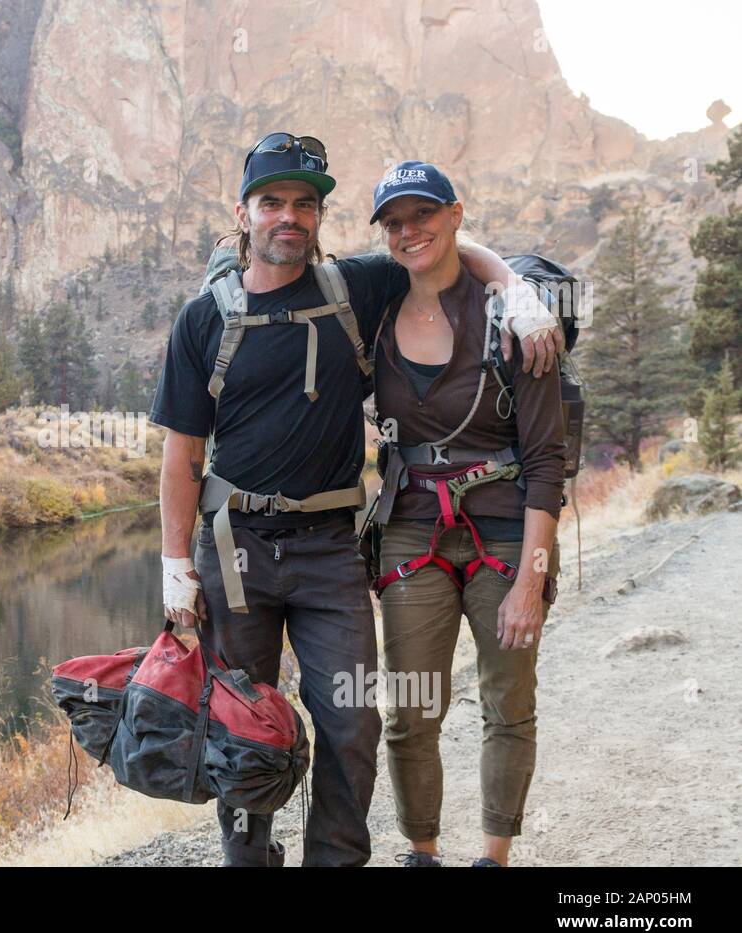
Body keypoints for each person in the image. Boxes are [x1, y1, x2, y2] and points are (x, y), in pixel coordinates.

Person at [151, 133, 561, 866]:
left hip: (329, 551)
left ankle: (336, 859)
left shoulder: (356, 285)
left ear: (319, 216)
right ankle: (248, 856)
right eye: (271, 201)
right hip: (232, 550)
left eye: (305, 204)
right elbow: (182, 454)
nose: (289, 217)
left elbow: (439, 246)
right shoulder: (202, 319)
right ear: (242, 213)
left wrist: (516, 288)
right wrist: (172, 563)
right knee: (243, 721)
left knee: (351, 718)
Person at [366, 161, 565, 867]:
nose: (408, 231)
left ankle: (494, 857)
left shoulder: (519, 324)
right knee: (410, 713)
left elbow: (547, 465)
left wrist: (530, 580)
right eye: (394, 222)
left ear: (455, 214)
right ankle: (422, 853)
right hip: (410, 532)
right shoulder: (378, 305)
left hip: (509, 532)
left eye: (423, 214)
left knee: (507, 702)